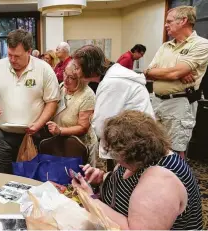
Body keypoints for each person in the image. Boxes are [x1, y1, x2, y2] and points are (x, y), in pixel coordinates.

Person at [72, 110, 202, 230]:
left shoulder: (160, 182)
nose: (114, 157)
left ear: (132, 154)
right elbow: (124, 186)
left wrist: (90, 199)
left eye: (116, 153)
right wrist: (101, 179)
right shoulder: (141, 160)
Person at [0, 29, 60, 173]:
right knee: (3, 175)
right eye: (9, 55)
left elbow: (52, 102)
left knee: (29, 177)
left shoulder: (44, 69)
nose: (12, 60)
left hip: (32, 135)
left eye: (17, 56)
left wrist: (38, 124)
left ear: (29, 51)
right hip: (3, 135)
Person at [72, 45, 154, 165]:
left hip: (133, 146)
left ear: (89, 67)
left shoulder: (112, 83)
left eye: (77, 68)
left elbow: (101, 127)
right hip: (137, 140)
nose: (75, 72)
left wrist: (91, 118)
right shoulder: (115, 76)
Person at [144, 6, 208, 159]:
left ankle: (176, 180)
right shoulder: (165, 46)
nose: (166, 25)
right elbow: (148, 72)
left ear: (184, 21)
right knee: (153, 145)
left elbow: (174, 73)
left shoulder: (201, 44)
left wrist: (173, 73)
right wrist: (175, 73)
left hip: (180, 103)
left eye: (169, 21)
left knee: (175, 150)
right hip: (156, 101)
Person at [46, 62, 97, 147]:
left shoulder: (88, 96)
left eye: (71, 78)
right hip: (59, 142)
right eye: (65, 74)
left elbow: (83, 127)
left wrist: (60, 130)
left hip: (78, 146)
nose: (65, 79)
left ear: (81, 79)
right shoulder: (62, 86)